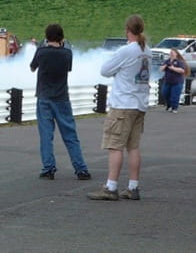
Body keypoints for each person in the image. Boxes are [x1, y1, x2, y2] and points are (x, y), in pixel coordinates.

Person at [87, 15, 152, 201]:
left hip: (123, 104)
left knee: (115, 146)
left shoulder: (126, 51)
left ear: (127, 30)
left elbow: (105, 70)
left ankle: (111, 186)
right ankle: (133, 186)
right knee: (133, 147)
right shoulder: (147, 50)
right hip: (140, 104)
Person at [30, 24, 91, 181]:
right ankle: (81, 169)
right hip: (62, 98)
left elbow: (32, 67)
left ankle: (48, 168)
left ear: (47, 37)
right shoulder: (67, 54)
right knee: (70, 135)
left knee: (46, 135)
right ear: (61, 37)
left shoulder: (41, 52)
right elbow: (68, 69)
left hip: (44, 98)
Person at [160, 48, 190, 113]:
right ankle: (169, 105)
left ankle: (174, 108)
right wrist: (165, 66)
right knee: (165, 93)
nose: (171, 54)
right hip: (167, 81)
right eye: (170, 53)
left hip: (177, 82)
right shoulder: (167, 61)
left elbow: (182, 70)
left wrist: (173, 68)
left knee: (174, 95)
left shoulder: (179, 61)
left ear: (176, 54)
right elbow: (161, 69)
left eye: (173, 53)